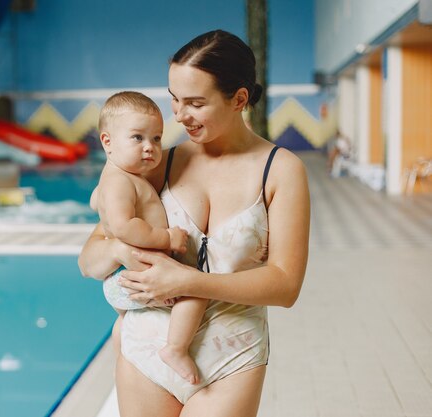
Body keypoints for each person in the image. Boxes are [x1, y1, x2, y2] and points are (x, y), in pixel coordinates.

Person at [78, 29, 310, 417]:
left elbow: (286, 285)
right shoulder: (158, 163)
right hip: (145, 351)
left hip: (231, 357)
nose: (179, 115)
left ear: (238, 99)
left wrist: (189, 281)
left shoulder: (280, 170)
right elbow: (89, 260)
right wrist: (119, 249)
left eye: (195, 103)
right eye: (174, 99)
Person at [94, 91, 210, 385]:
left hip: (126, 275)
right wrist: (166, 238)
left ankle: (122, 356)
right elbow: (124, 226)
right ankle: (176, 348)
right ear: (107, 142)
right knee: (196, 290)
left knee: (127, 325)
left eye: (156, 139)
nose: (150, 147)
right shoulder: (120, 180)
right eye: (137, 138)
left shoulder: (121, 177)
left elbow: (98, 202)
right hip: (135, 272)